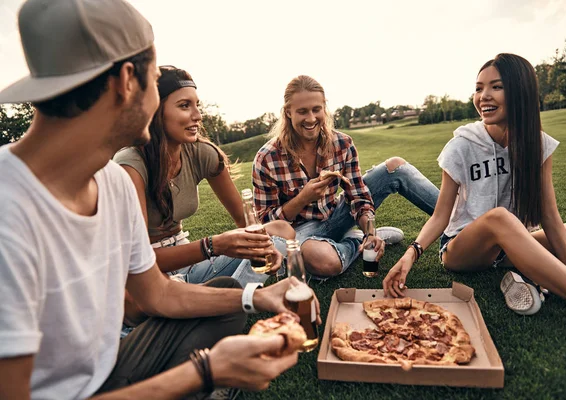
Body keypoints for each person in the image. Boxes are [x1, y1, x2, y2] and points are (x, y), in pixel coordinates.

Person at [0, 1, 317, 399]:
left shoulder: (111, 181)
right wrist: (204, 372)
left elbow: (158, 293)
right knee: (216, 363)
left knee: (227, 298)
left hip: (112, 366)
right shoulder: (8, 207)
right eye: (154, 80)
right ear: (127, 81)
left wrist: (258, 295)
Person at [383, 53, 566, 316]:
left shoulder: (538, 144)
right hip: (462, 249)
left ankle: (546, 282)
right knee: (499, 217)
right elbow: (440, 217)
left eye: (496, 87)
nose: (483, 96)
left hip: (509, 246)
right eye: (478, 88)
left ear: (520, 92)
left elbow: (549, 215)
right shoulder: (461, 146)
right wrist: (411, 253)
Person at [114, 65, 294, 288]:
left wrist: (262, 246)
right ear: (155, 111)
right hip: (150, 276)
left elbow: (244, 219)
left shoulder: (201, 153)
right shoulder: (130, 165)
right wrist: (212, 245)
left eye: (196, 105)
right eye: (184, 106)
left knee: (281, 232)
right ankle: (222, 299)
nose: (198, 116)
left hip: (189, 264)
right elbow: (137, 262)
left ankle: (222, 298)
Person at [250, 75, 440, 279]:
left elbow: (358, 197)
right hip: (300, 234)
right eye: (302, 111)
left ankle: (459, 222)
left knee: (395, 167)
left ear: (324, 107)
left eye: (316, 109)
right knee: (324, 261)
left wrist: (369, 229)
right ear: (288, 112)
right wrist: (302, 199)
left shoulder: (342, 144)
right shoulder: (267, 158)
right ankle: (355, 241)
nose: (311, 118)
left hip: (336, 216)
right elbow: (266, 225)